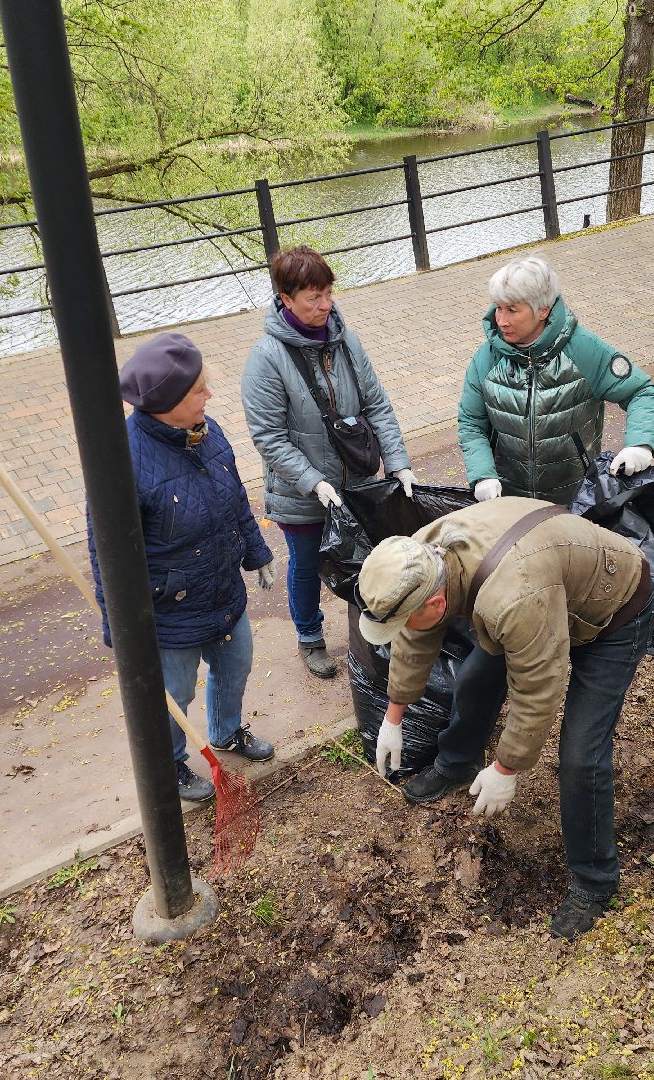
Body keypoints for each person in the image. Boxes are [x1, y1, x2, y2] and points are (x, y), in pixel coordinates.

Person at [356, 498, 654, 940]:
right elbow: (415, 637)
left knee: (581, 755)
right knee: (475, 679)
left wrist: (506, 767)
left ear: (437, 602)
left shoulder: (512, 599)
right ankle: (456, 765)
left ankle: (595, 881)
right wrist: (395, 715)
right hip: (543, 590)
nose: (406, 625)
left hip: (611, 608)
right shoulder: (417, 557)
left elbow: (538, 687)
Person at [89, 333, 277, 804]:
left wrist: (257, 553)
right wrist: (119, 626)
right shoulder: (123, 461)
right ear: (166, 402)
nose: (208, 396)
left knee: (235, 666)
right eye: (198, 390)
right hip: (169, 610)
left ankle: (227, 732)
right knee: (173, 694)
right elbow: (104, 554)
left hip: (222, 591)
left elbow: (234, 498)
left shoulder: (205, 431)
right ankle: (170, 761)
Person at [242, 245, 415, 678]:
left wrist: (397, 461)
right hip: (304, 494)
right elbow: (269, 437)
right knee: (306, 564)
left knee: (366, 558)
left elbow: (377, 405)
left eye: (328, 293)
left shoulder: (346, 342)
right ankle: (309, 637)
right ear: (285, 298)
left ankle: (371, 631)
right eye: (312, 298)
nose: (325, 305)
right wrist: (314, 482)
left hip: (356, 482)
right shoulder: (266, 360)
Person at [457, 256, 654, 507]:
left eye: (512, 309)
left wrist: (639, 445)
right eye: (498, 307)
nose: (501, 321)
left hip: (574, 500)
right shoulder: (486, 358)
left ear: (543, 310)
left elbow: (641, 391)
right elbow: (471, 423)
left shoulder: (583, 350)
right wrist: (482, 475)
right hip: (508, 504)